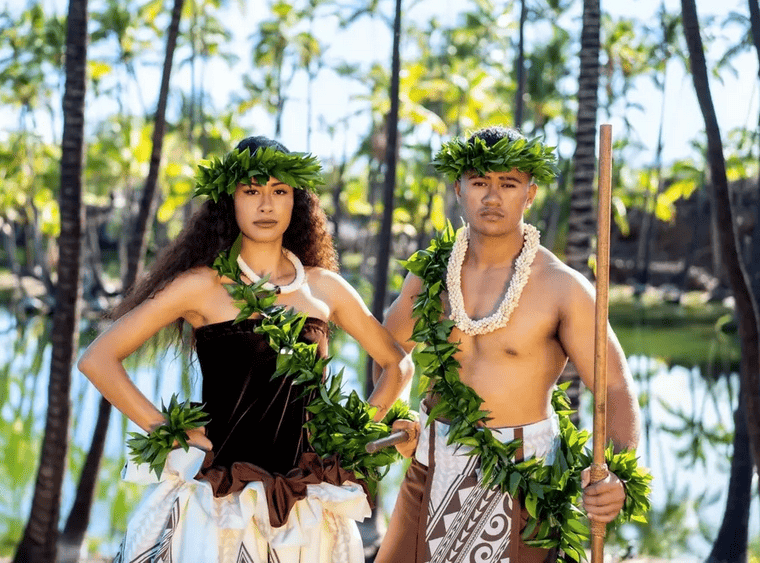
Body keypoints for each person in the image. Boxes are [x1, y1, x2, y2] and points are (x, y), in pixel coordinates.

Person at [78, 136, 415, 563]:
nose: (266, 205)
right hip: (218, 501)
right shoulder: (202, 287)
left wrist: (357, 436)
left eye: (280, 191)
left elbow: (396, 364)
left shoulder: (323, 288)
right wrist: (165, 426)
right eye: (251, 191)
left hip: (307, 502)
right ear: (230, 202)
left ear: (298, 202)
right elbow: (97, 359)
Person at [374, 126, 644, 563]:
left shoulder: (563, 288)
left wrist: (615, 474)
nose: (492, 197)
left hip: (525, 481)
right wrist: (396, 412)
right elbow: (388, 349)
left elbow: (615, 386)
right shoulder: (429, 276)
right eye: (480, 182)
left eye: (508, 183)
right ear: (459, 188)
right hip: (430, 468)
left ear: (530, 193)